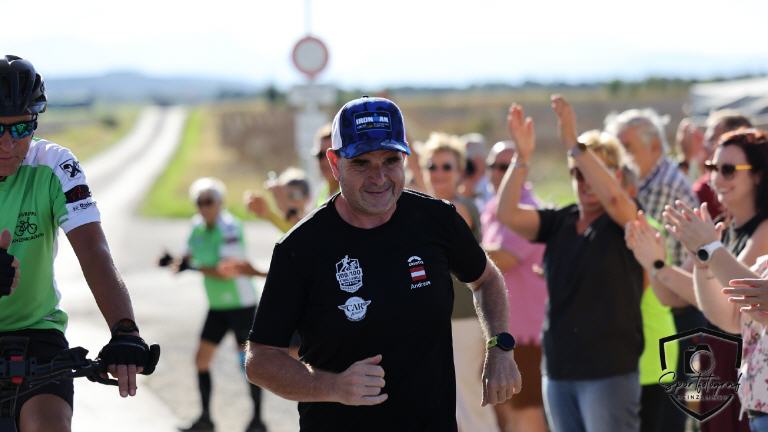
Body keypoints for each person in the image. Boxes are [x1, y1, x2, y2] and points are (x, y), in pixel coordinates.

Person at [245, 96, 521, 432]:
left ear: (405, 158)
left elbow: (487, 279)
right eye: (361, 163)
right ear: (334, 163)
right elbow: (260, 359)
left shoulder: (436, 220)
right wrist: (331, 386)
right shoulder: (300, 247)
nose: (378, 177)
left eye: (390, 160)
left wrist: (499, 346)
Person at [0, 55, 158, 432]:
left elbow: (94, 252)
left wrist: (125, 329)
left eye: (21, 128)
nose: (7, 143)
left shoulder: (54, 165)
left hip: (36, 333)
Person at [498, 96, 644, 432]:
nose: (585, 181)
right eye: (577, 173)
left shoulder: (624, 221)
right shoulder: (561, 220)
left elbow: (614, 198)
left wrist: (573, 145)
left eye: (594, 171)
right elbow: (508, 214)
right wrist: (521, 158)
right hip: (559, 370)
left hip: (608, 371)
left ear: (614, 175)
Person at [625, 128, 768, 430]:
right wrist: (655, 262)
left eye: (728, 169)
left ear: (758, 175)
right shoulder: (722, 228)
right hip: (725, 358)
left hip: (735, 356)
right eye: (712, 167)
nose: (717, 178)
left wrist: (708, 252)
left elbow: (736, 300)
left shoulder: (763, 230)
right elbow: (673, 297)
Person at [605, 107, 699, 432]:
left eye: (626, 148)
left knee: (662, 418)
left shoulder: (657, 189)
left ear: (655, 147)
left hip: (673, 312)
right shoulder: (655, 179)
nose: (620, 157)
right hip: (667, 307)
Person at [160, 177, 267, 432]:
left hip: (241, 305)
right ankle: (206, 419)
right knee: (201, 360)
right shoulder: (196, 227)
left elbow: (227, 271)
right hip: (217, 307)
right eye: (200, 202)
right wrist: (172, 261)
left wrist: (191, 266)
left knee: (248, 364)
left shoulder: (230, 227)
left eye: (209, 201)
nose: (204, 207)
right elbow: (187, 258)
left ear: (220, 203)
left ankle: (257, 422)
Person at [420, 132, 494, 431]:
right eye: (432, 166)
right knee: (446, 404)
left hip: (463, 318)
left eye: (446, 166)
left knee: (469, 401)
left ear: (460, 171)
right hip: (438, 319)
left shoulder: (459, 208)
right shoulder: (427, 208)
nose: (438, 173)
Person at [481, 140, 547, 432]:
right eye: (495, 166)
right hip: (503, 331)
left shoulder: (528, 210)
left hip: (528, 334)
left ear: (523, 170)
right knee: (506, 413)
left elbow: (503, 259)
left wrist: (455, 250)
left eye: (507, 167)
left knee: (527, 412)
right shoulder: (491, 209)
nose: (500, 173)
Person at [459, 132, 494, 211]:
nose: (469, 165)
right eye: (466, 160)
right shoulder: (455, 184)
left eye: (475, 158)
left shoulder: (492, 185)